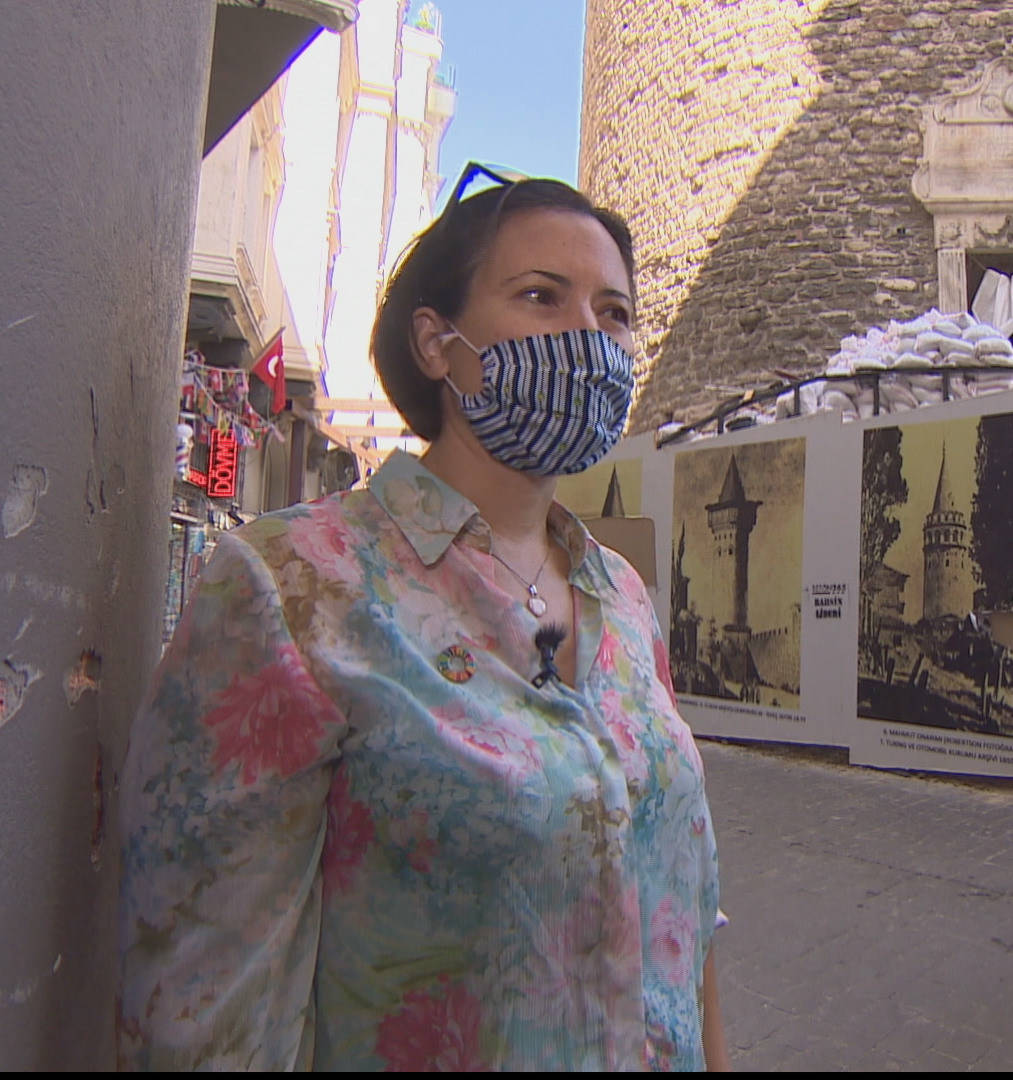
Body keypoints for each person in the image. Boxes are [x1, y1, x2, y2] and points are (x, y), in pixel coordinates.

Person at [119, 173, 730, 1070]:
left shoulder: (625, 597)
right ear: (438, 343)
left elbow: (691, 908)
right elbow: (203, 1006)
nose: (590, 339)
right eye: (541, 296)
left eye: (615, 313)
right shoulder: (292, 588)